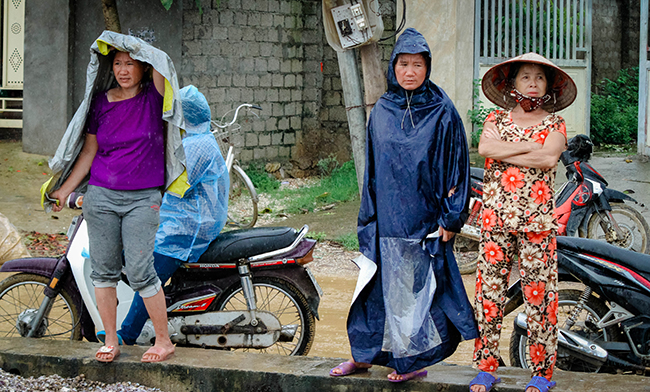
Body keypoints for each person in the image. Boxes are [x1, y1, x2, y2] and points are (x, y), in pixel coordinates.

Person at [329, 28, 477, 382]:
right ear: (393, 67)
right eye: (404, 64)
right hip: (384, 220)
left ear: (427, 67)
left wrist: (451, 217)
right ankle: (362, 357)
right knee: (373, 292)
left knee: (415, 297)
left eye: (417, 64)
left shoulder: (442, 111)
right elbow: (372, 170)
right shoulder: (381, 110)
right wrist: (368, 218)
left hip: (423, 221)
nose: (410, 72)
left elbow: (458, 167)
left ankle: (411, 365)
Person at [49, 46, 175, 363]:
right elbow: (89, 152)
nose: (123, 70)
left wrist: (132, 43)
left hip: (143, 198)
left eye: (130, 64)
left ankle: (163, 341)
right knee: (102, 272)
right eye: (117, 63)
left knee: (140, 270)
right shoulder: (101, 103)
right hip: (101, 196)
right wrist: (65, 190)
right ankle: (110, 340)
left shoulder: (153, 98)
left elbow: (160, 60)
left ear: (142, 68)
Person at [470, 53, 577, 392]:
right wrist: (528, 145)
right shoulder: (495, 119)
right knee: (489, 295)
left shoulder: (555, 124)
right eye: (525, 76)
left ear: (548, 86)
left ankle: (541, 373)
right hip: (495, 220)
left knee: (540, 298)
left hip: (537, 224)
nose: (532, 82)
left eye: (539, 77)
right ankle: (486, 368)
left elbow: (548, 157)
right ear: (513, 83)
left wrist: (510, 149)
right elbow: (486, 147)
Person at [96, 85, 229, 346]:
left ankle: (128, 335)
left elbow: (168, 180)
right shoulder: (193, 139)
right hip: (181, 218)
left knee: (148, 271)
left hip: (188, 227)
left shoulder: (196, 145)